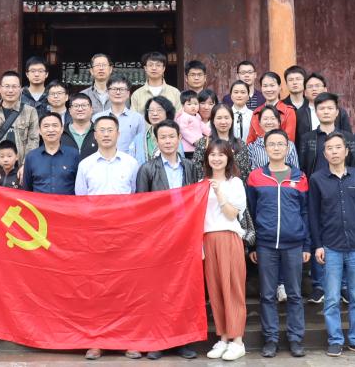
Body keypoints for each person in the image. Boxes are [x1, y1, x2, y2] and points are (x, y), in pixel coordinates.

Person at [74, 115, 141, 361]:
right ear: (95, 135)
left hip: (124, 234)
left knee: (126, 288)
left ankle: (127, 339)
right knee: (97, 289)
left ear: (118, 134)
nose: (105, 134)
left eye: (110, 130)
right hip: (95, 235)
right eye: (101, 130)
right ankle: (97, 340)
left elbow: (137, 198)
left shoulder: (131, 163)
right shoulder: (86, 165)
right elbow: (80, 200)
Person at [132, 120, 199, 360]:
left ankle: (183, 341)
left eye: (172, 136)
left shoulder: (190, 167)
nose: (168, 141)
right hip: (158, 238)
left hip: (185, 236)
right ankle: (158, 340)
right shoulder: (147, 169)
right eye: (163, 137)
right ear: (156, 141)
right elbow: (141, 207)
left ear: (180, 138)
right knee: (157, 291)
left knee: (184, 290)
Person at [309, 130, 355, 357]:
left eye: (338, 147)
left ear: (346, 151)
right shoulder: (317, 179)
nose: (334, 152)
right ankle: (335, 340)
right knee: (331, 298)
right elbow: (313, 216)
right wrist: (318, 245)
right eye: (329, 148)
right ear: (324, 154)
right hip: (331, 247)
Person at [246, 130, 311, 358]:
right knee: (267, 294)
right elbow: (251, 212)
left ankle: (295, 339)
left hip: (293, 244)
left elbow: (305, 212)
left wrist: (306, 245)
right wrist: (253, 245)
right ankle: (271, 339)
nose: (276, 148)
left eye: (280, 144)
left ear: (287, 148)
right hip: (265, 244)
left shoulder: (299, 177)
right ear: (265, 148)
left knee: (294, 294)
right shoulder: (256, 177)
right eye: (271, 144)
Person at [299, 92, 355, 304]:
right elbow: (303, 166)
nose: (326, 111)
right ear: (316, 112)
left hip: (343, 192)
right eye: (321, 108)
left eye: (330, 108)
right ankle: (319, 285)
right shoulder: (307, 138)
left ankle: (344, 286)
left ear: (337, 111)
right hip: (316, 193)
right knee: (318, 237)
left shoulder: (348, 138)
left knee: (343, 236)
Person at [202, 139, 248, 362]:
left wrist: (219, 192)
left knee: (233, 289)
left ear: (228, 158)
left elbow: (231, 214)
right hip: (208, 239)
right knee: (215, 290)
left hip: (228, 237)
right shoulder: (201, 183)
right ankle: (222, 337)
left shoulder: (235, 183)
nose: (216, 158)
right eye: (212, 154)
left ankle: (237, 340)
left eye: (221, 154)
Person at [0, 71, 40, 181]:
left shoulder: (30, 112)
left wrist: (25, 165)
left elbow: (33, 140)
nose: (10, 90)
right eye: (7, 86)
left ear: (20, 89)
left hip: (21, 170)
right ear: (0, 88)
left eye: (14, 86)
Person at [93, 75, 147, 164]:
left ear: (128, 94)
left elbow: (141, 147)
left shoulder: (137, 118)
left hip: (129, 165)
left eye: (122, 89)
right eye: (114, 89)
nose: (118, 92)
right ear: (108, 92)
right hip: (102, 163)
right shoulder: (97, 118)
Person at [23, 112, 80, 195]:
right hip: (40, 203)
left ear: (62, 129)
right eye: (46, 126)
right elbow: (27, 189)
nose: (51, 130)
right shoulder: (31, 157)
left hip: (67, 203)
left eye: (55, 125)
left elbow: (80, 187)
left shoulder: (74, 155)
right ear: (39, 131)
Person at [294, 72, 351, 148]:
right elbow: (297, 140)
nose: (314, 89)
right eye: (310, 87)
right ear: (305, 93)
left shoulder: (340, 112)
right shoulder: (299, 114)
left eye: (317, 86)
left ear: (325, 89)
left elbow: (348, 137)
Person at [246, 73, 297, 143]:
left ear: (279, 87)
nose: (269, 89)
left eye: (272, 85)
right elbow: (250, 141)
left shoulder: (288, 111)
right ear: (261, 88)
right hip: (257, 150)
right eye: (265, 86)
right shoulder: (256, 112)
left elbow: (289, 140)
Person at [247, 105, 299, 171]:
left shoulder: (290, 145)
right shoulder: (252, 147)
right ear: (259, 123)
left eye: (273, 118)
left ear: (279, 122)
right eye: (265, 119)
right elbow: (251, 172)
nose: (269, 122)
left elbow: (295, 171)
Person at [175, 91, 210, 159]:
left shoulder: (197, 116)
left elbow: (202, 126)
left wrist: (210, 133)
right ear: (183, 105)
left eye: (196, 104)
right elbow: (183, 130)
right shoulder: (183, 116)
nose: (193, 106)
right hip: (187, 148)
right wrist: (194, 140)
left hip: (199, 145)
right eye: (189, 104)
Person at [141, 96, 175, 161]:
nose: (155, 113)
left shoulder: (174, 136)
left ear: (167, 113)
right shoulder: (139, 138)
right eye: (151, 110)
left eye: (159, 110)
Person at [64, 92, 97, 159]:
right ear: (70, 110)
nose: (80, 109)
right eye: (76, 106)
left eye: (84, 105)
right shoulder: (61, 132)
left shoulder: (99, 131)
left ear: (91, 109)